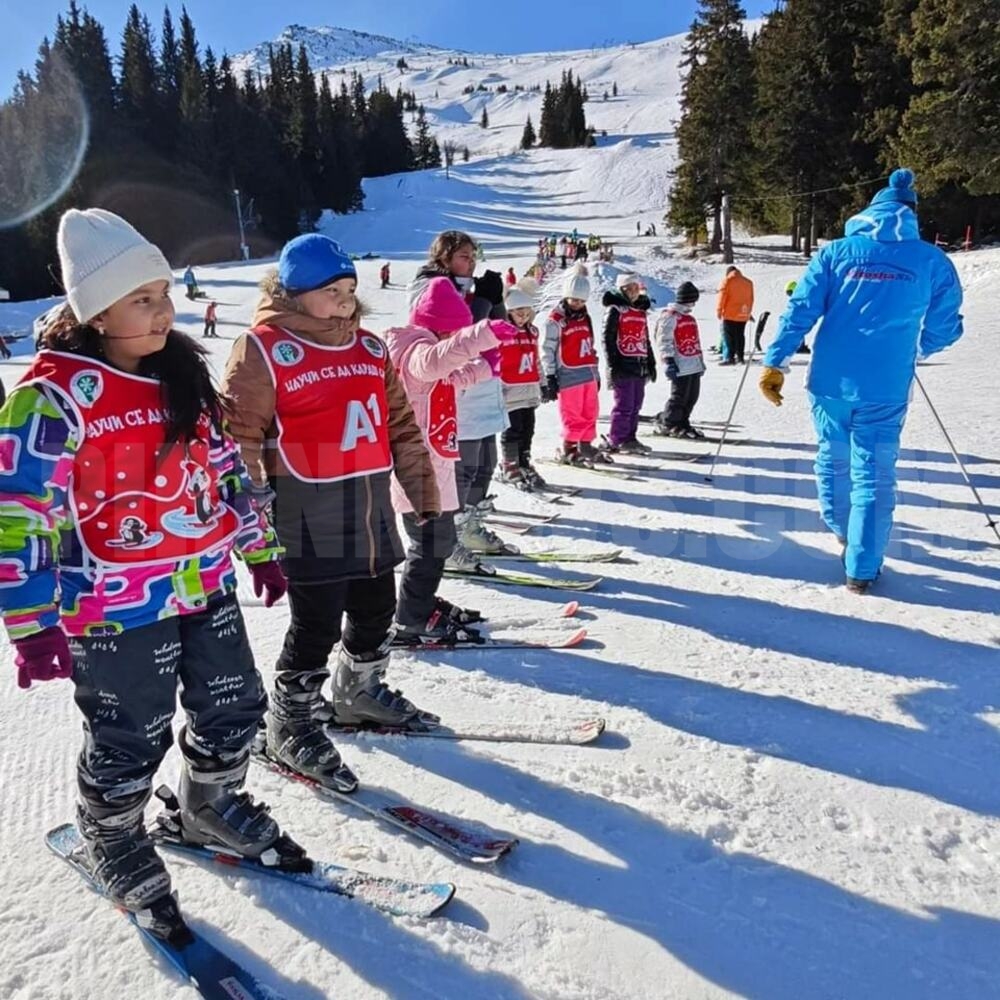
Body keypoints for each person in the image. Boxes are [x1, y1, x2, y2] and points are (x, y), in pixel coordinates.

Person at [0, 208, 299, 936]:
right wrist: (32, 623)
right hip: (112, 607)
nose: (164, 309)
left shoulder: (182, 379)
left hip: (202, 585)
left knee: (234, 707)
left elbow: (229, 471)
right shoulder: (50, 398)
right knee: (130, 733)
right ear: (94, 311)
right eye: (142, 298)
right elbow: (18, 513)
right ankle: (114, 835)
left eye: (164, 292)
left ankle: (209, 805)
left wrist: (257, 548)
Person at [222, 235, 440, 781]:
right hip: (304, 516)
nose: (345, 299)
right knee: (314, 626)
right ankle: (290, 722)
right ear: (294, 294)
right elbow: (237, 440)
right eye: (331, 290)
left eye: (349, 289)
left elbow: (401, 427)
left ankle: (357, 692)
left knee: (375, 610)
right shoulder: (264, 348)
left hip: (369, 514)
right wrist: (250, 524)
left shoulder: (369, 349)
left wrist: (423, 493)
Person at [759, 168, 964, 593]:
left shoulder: (836, 252)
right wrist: (918, 347)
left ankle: (842, 530)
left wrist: (775, 362)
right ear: (911, 215)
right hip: (886, 386)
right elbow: (946, 326)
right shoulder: (932, 260)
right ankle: (862, 568)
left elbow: (800, 310)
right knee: (873, 473)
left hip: (830, 382)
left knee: (832, 459)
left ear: (870, 211)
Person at [386, 277, 518, 641]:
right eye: (452, 333)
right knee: (430, 546)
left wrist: (486, 367)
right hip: (417, 469)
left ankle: (420, 604)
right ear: (440, 327)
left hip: (435, 463)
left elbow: (451, 377)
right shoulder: (416, 351)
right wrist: (482, 334)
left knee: (436, 544)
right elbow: (436, 363)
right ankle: (411, 619)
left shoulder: (429, 353)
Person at [542, 264, 607, 465]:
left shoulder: (585, 317)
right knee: (573, 414)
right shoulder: (556, 320)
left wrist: (596, 374)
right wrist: (550, 376)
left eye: (581, 300)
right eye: (573, 300)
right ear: (566, 297)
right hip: (568, 375)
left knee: (591, 411)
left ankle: (585, 443)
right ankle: (569, 448)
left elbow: (590, 346)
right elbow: (547, 350)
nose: (577, 304)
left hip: (587, 373)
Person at [497, 278, 546, 489]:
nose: (523, 317)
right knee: (512, 430)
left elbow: (536, 361)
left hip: (529, 391)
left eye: (527, 313)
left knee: (528, 429)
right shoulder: (501, 334)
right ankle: (509, 465)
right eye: (519, 313)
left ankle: (524, 461)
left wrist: (543, 382)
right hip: (510, 391)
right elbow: (495, 362)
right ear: (509, 312)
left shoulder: (532, 332)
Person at [601, 272, 655, 454]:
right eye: (629, 288)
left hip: (638, 363)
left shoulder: (640, 312)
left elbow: (645, 339)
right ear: (621, 289)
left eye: (635, 288)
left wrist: (651, 363)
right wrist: (612, 364)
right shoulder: (615, 310)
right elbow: (607, 338)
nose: (633, 292)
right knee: (624, 405)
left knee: (636, 404)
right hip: (622, 364)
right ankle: (617, 438)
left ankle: (630, 437)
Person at [654, 281, 705, 438]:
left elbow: (696, 341)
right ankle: (668, 423)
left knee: (692, 396)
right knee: (679, 397)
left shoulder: (689, 318)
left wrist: (700, 362)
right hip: (680, 364)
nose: (693, 304)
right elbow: (663, 339)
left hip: (693, 363)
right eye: (692, 300)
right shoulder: (670, 316)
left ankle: (683, 422)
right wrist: (668, 360)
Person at [716, 265, 754, 365]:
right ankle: (740, 358)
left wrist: (719, 310)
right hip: (743, 314)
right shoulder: (748, 282)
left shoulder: (727, 281)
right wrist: (748, 313)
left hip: (729, 313)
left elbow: (722, 296)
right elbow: (750, 299)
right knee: (740, 335)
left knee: (729, 336)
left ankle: (730, 358)